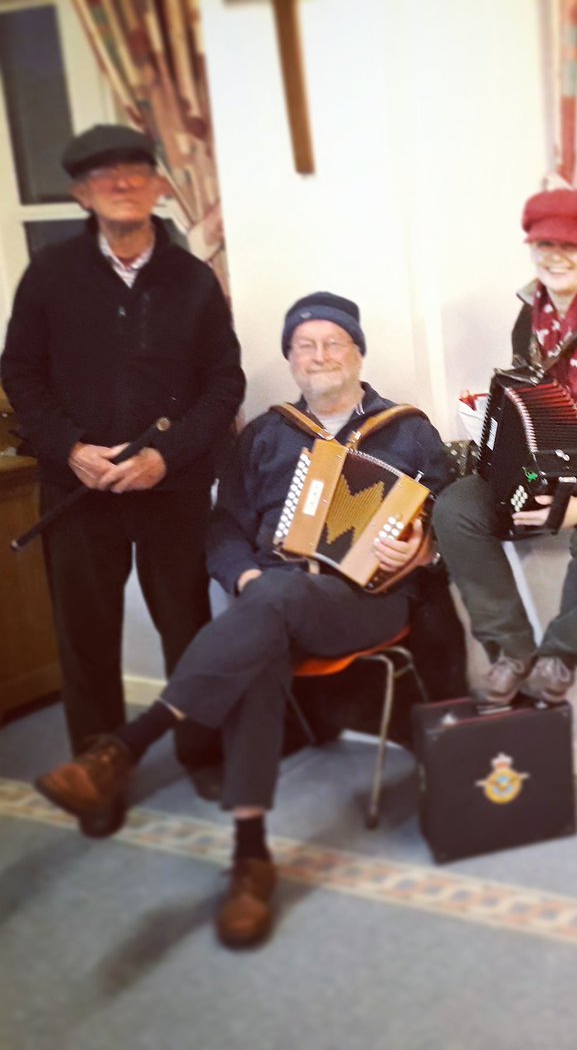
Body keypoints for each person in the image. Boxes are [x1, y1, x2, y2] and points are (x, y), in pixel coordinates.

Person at [32, 292, 451, 948]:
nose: (320, 355)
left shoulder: (410, 430)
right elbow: (223, 528)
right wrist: (246, 574)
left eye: (333, 342)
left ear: (357, 351)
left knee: (270, 607)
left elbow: (451, 517)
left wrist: (422, 545)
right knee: (265, 619)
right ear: (289, 359)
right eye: (305, 345)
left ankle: (129, 744)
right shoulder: (266, 433)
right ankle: (251, 856)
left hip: (367, 603)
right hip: (276, 595)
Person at [1, 124, 244, 832]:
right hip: (77, 490)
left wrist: (168, 458)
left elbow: (223, 383)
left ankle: (201, 751)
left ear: (160, 186)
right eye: (104, 176)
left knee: (188, 627)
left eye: (136, 172)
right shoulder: (48, 274)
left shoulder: (193, 278)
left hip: (169, 489)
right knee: (86, 636)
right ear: (82, 193)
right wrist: (70, 447)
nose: (121, 184)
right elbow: (19, 371)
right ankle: (98, 775)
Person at [433, 188, 577, 706]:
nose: (557, 257)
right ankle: (512, 649)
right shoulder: (527, 319)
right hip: (548, 470)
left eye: (571, 245)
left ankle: (562, 653)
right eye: (545, 245)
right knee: (455, 509)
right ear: (531, 248)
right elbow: (530, 408)